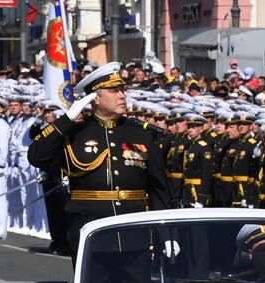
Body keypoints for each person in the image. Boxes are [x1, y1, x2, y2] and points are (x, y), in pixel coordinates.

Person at [26, 61, 171, 253]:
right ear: (94, 98)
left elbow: (158, 188)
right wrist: (66, 120)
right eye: (114, 91)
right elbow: (37, 156)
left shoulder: (140, 134)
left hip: (135, 231)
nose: (122, 96)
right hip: (91, 231)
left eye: (122, 90)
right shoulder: (74, 133)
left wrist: (167, 233)